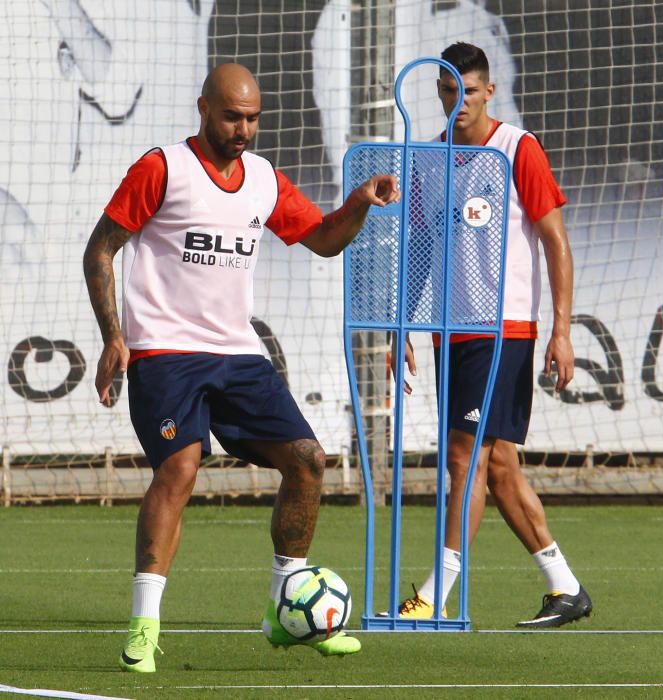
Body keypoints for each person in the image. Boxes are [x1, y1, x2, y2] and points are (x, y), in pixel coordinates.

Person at [83, 63, 400, 672]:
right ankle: (144, 627)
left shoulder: (263, 180)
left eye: (253, 118)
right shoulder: (161, 168)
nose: (244, 129)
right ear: (204, 108)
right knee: (180, 466)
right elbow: (101, 249)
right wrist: (113, 337)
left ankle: (287, 608)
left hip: (236, 353)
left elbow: (326, 240)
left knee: (308, 461)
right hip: (166, 353)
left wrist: (359, 203)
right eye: (233, 116)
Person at [392, 43, 592, 628]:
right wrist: (404, 321)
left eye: (469, 92)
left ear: (489, 92)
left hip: (503, 329)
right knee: (497, 465)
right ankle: (565, 588)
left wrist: (561, 331)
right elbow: (422, 249)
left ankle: (431, 597)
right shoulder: (428, 158)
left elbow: (555, 241)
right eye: (448, 91)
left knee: (462, 459)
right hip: (448, 332)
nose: (457, 103)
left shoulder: (516, 149)